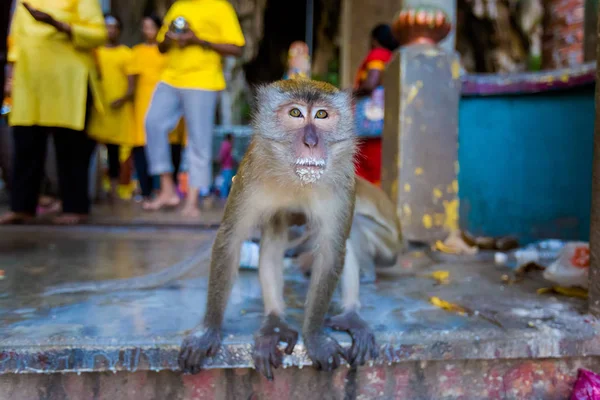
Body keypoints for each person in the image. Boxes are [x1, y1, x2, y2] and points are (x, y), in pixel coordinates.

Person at [0, 0, 107, 225]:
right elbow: (16, 41)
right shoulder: (23, 2)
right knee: (25, 146)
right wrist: (11, 75)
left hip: (68, 81)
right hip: (30, 81)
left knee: (71, 149)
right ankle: (22, 207)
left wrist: (58, 25)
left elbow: (98, 35)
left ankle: (75, 207)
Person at [143, 0, 245, 217]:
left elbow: (237, 48)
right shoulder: (178, 6)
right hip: (170, 78)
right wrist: (170, 38)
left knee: (199, 140)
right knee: (152, 122)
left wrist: (198, 40)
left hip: (203, 81)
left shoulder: (220, 7)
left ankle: (192, 200)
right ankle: (167, 189)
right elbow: (161, 47)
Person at [129, 15, 186, 203]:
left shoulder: (171, 50)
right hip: (144, 104)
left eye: (152, 27)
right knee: (144, 145)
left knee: (172, 146)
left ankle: (168, 190)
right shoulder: (137, 52)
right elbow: (132, 82)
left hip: (169, 101)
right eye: (144, 27)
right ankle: (148, 192)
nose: (148, 31)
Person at [87, 14, 136, 201]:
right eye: (107, 26)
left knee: (115, 153)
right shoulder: (94, 51)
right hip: (96, 111)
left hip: (117, 111)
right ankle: (93, 190)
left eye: (114, 27)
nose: (110, 30)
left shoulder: (126, 53)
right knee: (90, 152)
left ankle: (114, 193)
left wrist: (122, 99)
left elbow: (132, 85)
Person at [353, 24, 399, 186]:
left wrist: (350, 94)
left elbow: (371, 82)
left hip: (370, 120)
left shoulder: (378, 54)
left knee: (365, 160)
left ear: (374, 40)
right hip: (381, 119)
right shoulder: (392, 57)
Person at [217, 133, 235, 198]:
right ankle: (223, 197)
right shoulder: (227, 145)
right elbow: (223, 156)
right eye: (232, 138)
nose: (233, 140)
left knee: (226, 182)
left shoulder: (226, 144)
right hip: (226, 166)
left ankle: (224, 196)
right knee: (225, 183)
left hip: (226, 166)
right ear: (229, 138)